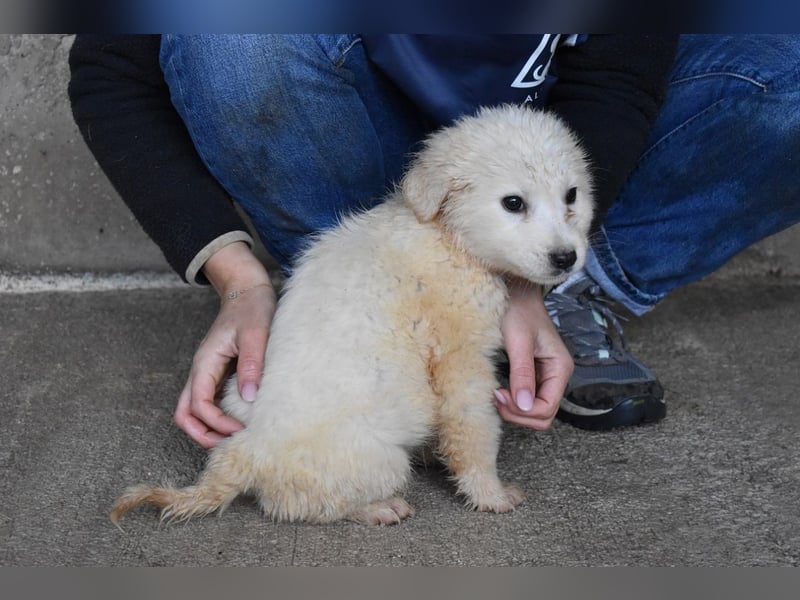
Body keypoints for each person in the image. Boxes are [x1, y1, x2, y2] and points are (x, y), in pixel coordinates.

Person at [68, 34, 800, 448]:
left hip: (538, 170)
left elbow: (612, 83)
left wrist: (526, 277)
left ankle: (572, 292)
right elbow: (109, 68)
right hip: (364, 161)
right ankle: (365, 306)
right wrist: (240, 280)